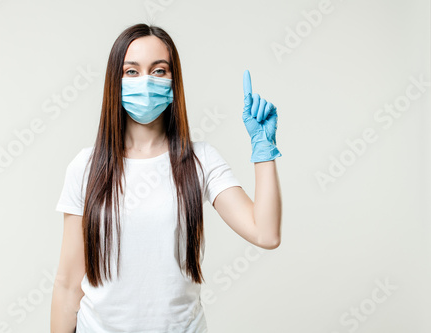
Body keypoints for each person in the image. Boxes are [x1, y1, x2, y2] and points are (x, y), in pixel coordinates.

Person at [50, 23, 282, 333]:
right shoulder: (86, 166)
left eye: (158, 71)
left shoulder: (200, 160)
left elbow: (265, 234)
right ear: (114, 83)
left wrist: (263, 150)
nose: (145, 81)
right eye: (131, 72)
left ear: (174, 83)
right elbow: (67, 285)